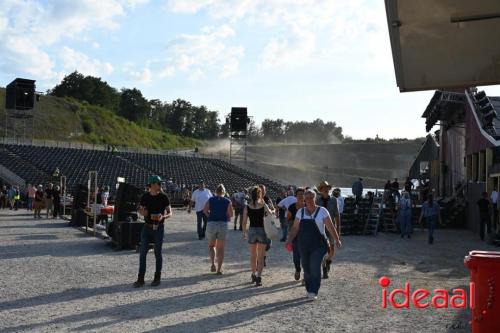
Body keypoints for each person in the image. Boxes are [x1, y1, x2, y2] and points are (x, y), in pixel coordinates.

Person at [286, 189, 342, 300]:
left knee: (315, 266)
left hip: (319, 245)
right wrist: (289, 239)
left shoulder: (322, 211)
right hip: (304, 245)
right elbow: (295, 228)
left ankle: (313, 291)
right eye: (307, 198)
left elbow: (330, 226)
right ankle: (308, 288)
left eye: (311, 198)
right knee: (306, 268)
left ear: (315, 198)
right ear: (304, 200)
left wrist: (336, 239)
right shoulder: (300, 212)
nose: (309, 200)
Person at [134, 175, 172, 287]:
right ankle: (140, 278)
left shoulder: (164, 197)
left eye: (160, 184)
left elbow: (170, 212)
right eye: (159, 183)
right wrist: (142, 213)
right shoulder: (145, 197)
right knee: (142, 253)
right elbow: (142, 211)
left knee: (158, 253)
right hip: (147, 227)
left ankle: (157, 277)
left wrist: (163, 217)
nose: (160, 185)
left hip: (159, 227)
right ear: (152, 185)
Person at [242, 186, 273, 286]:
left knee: (253, 255)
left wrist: (244, 233)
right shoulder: (263, 205)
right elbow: (270, 214)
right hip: (262, 230)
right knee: (260, 256)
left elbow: (244, 222)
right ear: (260, 194)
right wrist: (271, 209)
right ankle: (259, 277)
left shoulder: (247, 206)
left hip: (251, 230)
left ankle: (253, 274)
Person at [203, 184, 233, 274]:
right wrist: (226, 217)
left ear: (216, 191)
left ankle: (213, 263)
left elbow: (205, 210)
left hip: (212, 223)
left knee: (211, 246)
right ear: (224, 192)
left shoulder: (211, 199)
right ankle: (219, 269)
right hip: (223, 224)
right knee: (221, 248)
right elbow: (231, 214)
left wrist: (209, 216)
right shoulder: (227, 201)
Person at [315, 181, 340, 279]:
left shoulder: (334, 200)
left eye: (327, 188)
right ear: (320, 190)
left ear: (329, 189)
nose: (325, 189)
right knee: (321, 249)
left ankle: (328, 260)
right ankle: (324, 268)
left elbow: (337, 216)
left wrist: (338, 230)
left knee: (332, 250)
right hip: (320, 227)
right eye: (323, 188)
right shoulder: (317, 200)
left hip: (331, 227)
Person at [286, 187, 305, 282]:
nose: (301, 196)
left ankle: (306, 276)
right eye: (299, 195)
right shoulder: (292, 207)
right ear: (296, 196)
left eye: (302, 194)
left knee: (306, 255)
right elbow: (288, 219)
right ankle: (298, 269)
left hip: (306, 234)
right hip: (295, 234)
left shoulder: (308, 207)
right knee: (296, 255)